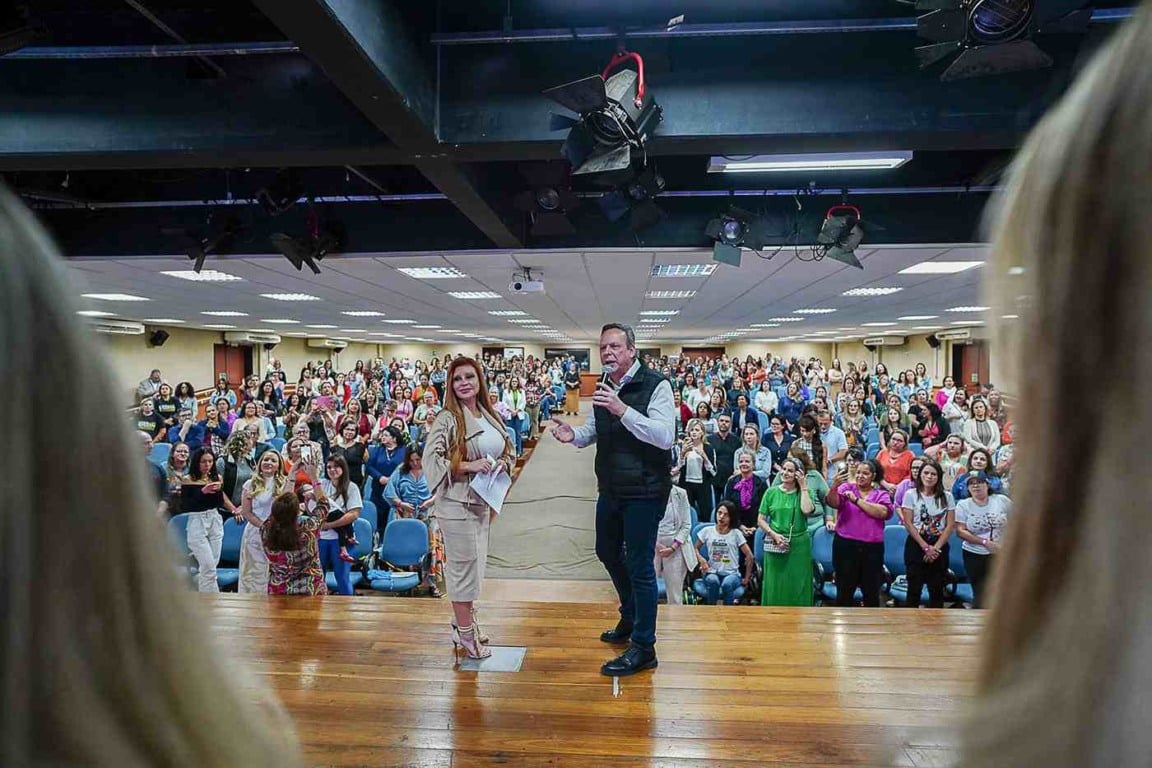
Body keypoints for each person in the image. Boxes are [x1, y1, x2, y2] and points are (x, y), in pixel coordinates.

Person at [0, 184, 299, 765]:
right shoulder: (201, 724)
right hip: (201, 524)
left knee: (214, 562)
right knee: (213, 566)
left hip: (214, 518)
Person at [551, 323, 675, 677]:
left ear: (632, 350)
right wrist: (572, 435)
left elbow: (665, 436)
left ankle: (644, 646)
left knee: (639, 566)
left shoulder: (657, 385)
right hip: (611, 487)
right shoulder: (605, 386)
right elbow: (594, 431)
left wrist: (623, 410)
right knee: (606, 551)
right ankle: (631, 614)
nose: (607, 353)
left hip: (646, 490)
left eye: (615, 347)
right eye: (603, 347)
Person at [425, 356, 515, 661]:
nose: (464, 383)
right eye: (457, 378)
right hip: (456, 503)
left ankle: (462, 623)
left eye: (469, 377)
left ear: (480, 382)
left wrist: (503, 463)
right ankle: (466, 637)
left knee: (474, 568)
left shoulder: (489, 414)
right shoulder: (447, 418)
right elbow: (431, 461)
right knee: (463, 569)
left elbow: (507, 448)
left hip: (481, 501)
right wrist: (467, 465)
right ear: (450, 384)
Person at [825, 458, 893, 607]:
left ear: (873, 476)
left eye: (865, 473)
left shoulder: (882, 495)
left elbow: (882, 512)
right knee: (844, 590)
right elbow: (833, 502)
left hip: (872, 549)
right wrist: (834, 487)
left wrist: (857, 501)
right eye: (859, 472)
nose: (860, 476)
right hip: (845, 546)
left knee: (871, 591)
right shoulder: (846, 488)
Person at [758, 456, 817, 606]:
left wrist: (803, 486)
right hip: (776, 543)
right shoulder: (770, 492)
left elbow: (807, 510)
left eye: (790, 471)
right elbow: (761, 520)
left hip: (799, 545)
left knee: (798, 582)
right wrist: (774, 535)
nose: (785, 473)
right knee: (775, 583)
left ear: (798, 474)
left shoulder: (805, 492)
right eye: (784, 469)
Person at [898, 459, 955, 608]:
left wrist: (935, 548)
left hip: (939, 543)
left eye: (933, 474)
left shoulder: (947, 497)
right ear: (920, 475)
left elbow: (950, 525)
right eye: (926, 473)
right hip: (917, 543)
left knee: (936, 590)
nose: (929, 477)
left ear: (938, 477)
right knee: (913, 589)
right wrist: (925, 547)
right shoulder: (910, 494)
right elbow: (908, 523)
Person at [180, 447, 235, 593]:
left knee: (212, 565)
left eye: (210, 461)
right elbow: (186, 505)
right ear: (197, 462)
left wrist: (232, 508)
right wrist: (203, 492)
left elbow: (219, 501)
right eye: (203, 461)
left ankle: (206, 594)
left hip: (214, 518)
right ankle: (210, 599)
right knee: (208, 566)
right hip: (197, 519)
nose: (207, 465)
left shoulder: (217, 478)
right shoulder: (188, 479)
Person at [954, 471, 1011, 609]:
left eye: (979, 482)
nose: (976, 486)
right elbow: (960, 531)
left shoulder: (1001, 500)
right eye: (971, 483)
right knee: (980, 593)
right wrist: (984, 542)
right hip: (974, 553)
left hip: (1001, 553)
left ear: (987, 484)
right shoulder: (963, 505)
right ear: (967, 488)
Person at [236, 449, 289, 594]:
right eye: (266, 459)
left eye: (273, 460)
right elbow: (246, 512)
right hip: (255, 531)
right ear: (260, 463)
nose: (269, 463)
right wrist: (264, 527)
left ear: (279, 465)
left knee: (275, 572)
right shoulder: (250, 484)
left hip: (277, 533)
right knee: (255, 574)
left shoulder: (285, 484)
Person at [694, 501, 754, 606]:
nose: (721, 517)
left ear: (731, 517)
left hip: (732, 574)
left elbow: (750, 556)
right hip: (711, 572)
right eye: (719, 513)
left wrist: (747, 577)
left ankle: (728, 615)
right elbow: (693, 549)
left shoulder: (736, 534)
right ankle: (712, 611)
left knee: (727, 584)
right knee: (713, 581)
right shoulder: (707, 531)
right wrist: (701, 559)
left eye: (725, 515)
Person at [654, 484, 694, 605]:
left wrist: (673, 547)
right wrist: (656, 543)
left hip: (676, 547)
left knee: (675, 595)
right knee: (646, 590)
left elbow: (686, 525)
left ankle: (676, 622)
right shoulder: (646, 491)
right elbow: (641, 523)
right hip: (652, 544)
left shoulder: (681, 494)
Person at [673, 418, 717, 523]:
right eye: (692, 430)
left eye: (697, 430)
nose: (694, 432)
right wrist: (683, 454)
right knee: (686, 515)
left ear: (702, 432)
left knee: (705, 514)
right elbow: (677, 468)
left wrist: (703, 455)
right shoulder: (682, 446)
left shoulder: (708, 448)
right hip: (686, 485)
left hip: (703, 485)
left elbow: (714, 472)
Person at [722, 449, 769, 541]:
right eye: (741, 461)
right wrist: (740, 526)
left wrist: (755, 527)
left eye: (747, 461)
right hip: (735, 525)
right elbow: (727, 506)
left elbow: (765, 509)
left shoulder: (761, 483)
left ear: (753, 464)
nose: (744, 464)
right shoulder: (731, 482)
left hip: (757, 526)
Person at [365, 425, 407, 512]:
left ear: (394, 438)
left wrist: (392, 479)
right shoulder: (377, 450)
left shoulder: (404, 451)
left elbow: (407, 467)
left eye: (386, 435)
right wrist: (380, 476)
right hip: (379, 488)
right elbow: (369, 466)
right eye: (382, 435)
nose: (382, 437)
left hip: (397, 489)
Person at [706, 413, 741, 507]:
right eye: (721, 421)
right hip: (714, 478)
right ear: (717, 422)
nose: (724, 423)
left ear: (730, 424)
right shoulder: (709, 440)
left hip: (731, 478)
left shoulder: (737, 441)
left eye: (727, 421)